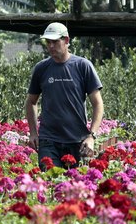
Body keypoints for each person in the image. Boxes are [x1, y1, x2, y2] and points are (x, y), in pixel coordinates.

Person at [25, 22, 104, 169]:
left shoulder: (83, 66)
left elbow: (98, 103)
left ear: (66, 40)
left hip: (77, 140)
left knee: (75, 188)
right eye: (48, 42)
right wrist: (33, 133)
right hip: (48, 140)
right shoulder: (41, 68)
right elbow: (31, 102)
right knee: (49, 184)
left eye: (55, 41)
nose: (51, 46)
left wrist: (91, 136)